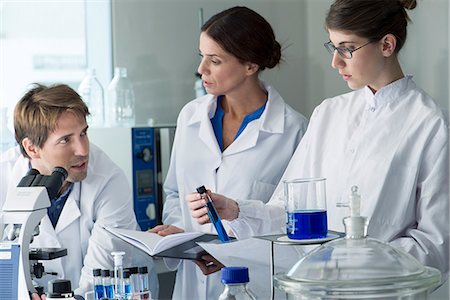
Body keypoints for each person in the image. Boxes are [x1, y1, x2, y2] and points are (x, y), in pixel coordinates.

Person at [188, 0, 449, 281]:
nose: (335, 62)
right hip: (313, 290)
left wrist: (349, 263)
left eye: (346, 49)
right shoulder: (329, 113)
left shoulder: (430, 124)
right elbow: (289, 213)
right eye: (333, 47)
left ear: (386, 45)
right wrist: (236, 210)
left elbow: (435, 245)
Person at [149, 6, 308, 300]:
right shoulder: (191, 116)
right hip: (193, 280)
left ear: (250, 65)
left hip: (255, 285)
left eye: (215, 60)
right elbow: (174, 192)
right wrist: (177, 231)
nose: (201, 70)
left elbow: (292, 226)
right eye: (202, 56)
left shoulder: (292, 130)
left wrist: (238, 253)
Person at [0, 84, 158, 299]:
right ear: (31, 148)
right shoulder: (4, 177)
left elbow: (101, 272)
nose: (83, 150)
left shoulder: (108, 178)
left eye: (83, 133)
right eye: (65, 140)